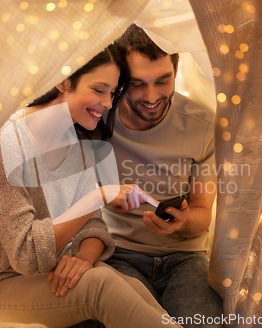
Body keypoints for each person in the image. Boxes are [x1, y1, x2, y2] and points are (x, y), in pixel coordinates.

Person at [0, 44, 182, 328]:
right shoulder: (5, 141)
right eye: (98, 89)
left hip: (49, 272)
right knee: (101, 286)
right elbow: (26, 253)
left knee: (132, 287)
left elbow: (93, 227)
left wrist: (84, 257)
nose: (108, 102)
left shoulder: (77, 143)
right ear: (63, 81)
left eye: (112, 92)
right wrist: (98, 196)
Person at [102, 25, 223, 327]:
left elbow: (202, 213)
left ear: (176, 71)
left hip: (186, 257)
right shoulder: (97, 118)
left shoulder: (202, 125)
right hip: (118, 254)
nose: (152, 96)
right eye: (137, 84)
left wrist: (181, 224)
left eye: (162, 80)